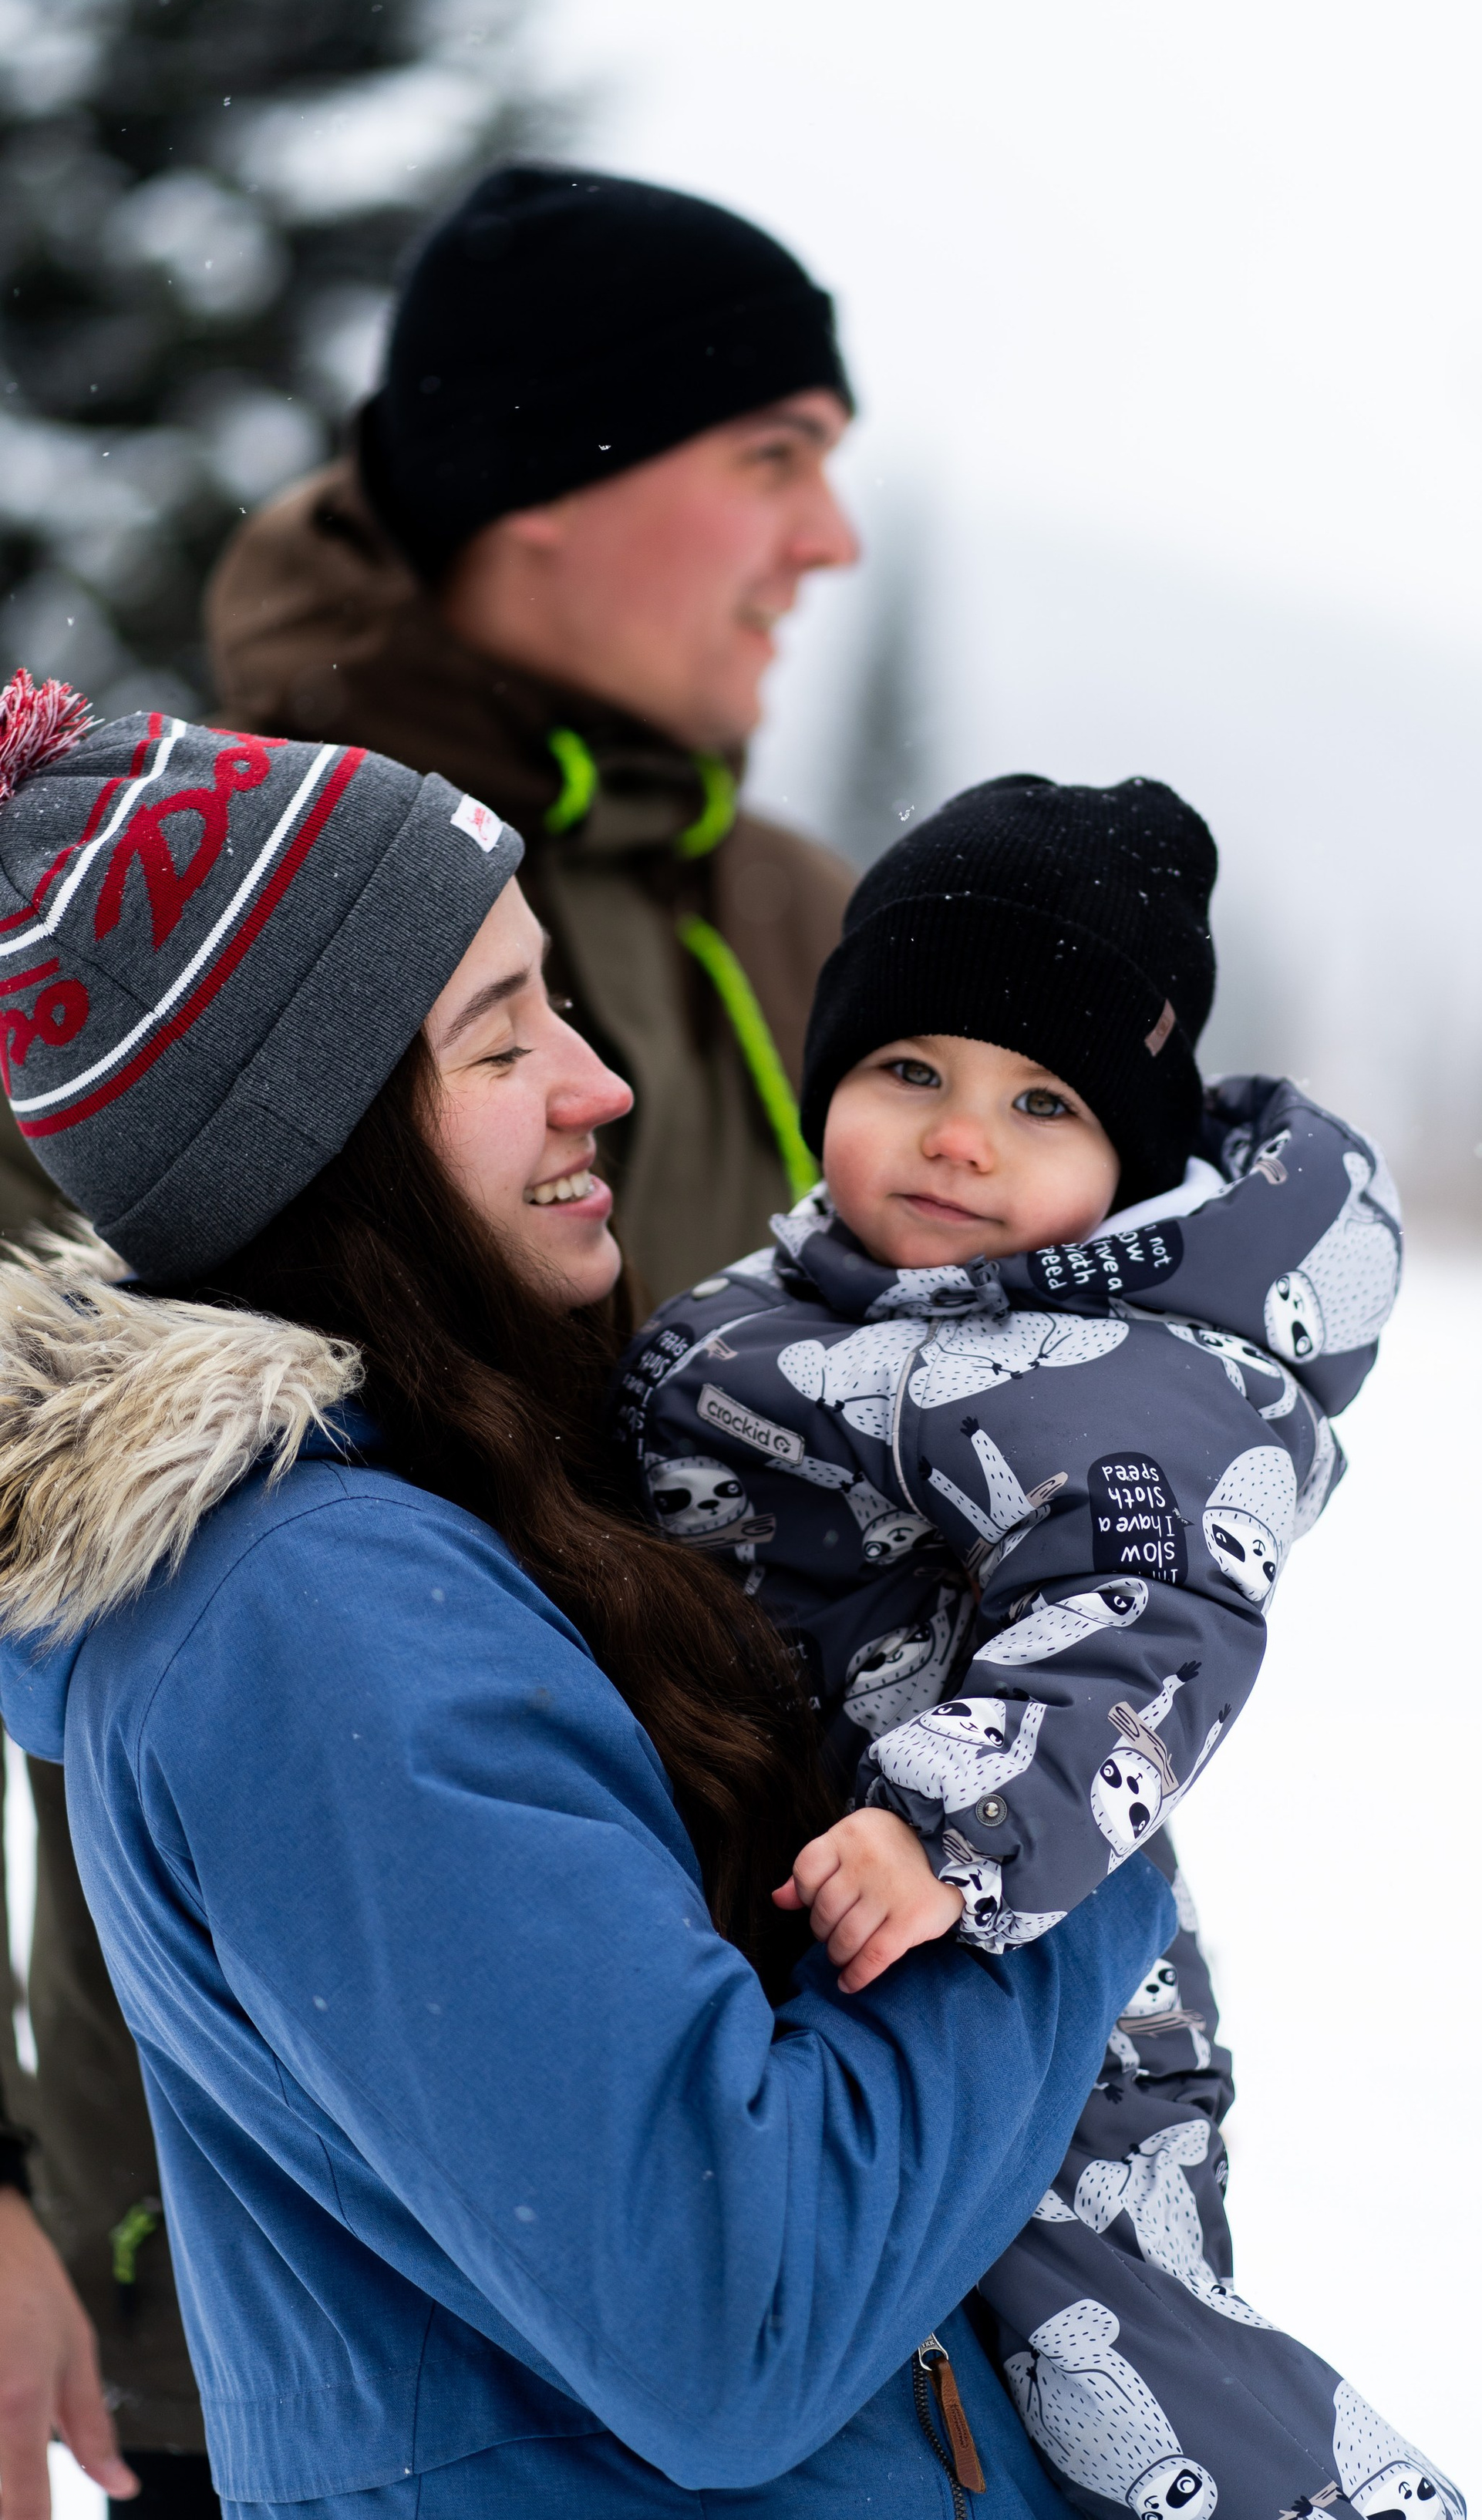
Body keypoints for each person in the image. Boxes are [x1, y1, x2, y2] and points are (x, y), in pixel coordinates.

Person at [0, 684, 1176, 2515]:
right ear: (320, 1145)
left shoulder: (415, 1524)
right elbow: (734, 2310)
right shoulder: (320, 1621)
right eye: (498, 1042)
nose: (597, 1079)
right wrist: (1065, 1831)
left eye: (552, 997)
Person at [0, 164, 864, 2508]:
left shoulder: (798, 927)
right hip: (258, 2269)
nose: (829, 540)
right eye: (772, 459)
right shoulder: (164, 935)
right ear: (547, 492)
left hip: (733, 2177)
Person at [613, 775, 1467, 2519]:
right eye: (907, 1071)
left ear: (1126, 1162)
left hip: (1033, 1971)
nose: (957, 1140)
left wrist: (950, 1825)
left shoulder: (1136, 1381)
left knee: (1117, 2366)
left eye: (1040, 1103)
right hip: (821, 1917)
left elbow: (1139, 1632)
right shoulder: (763, 1314)